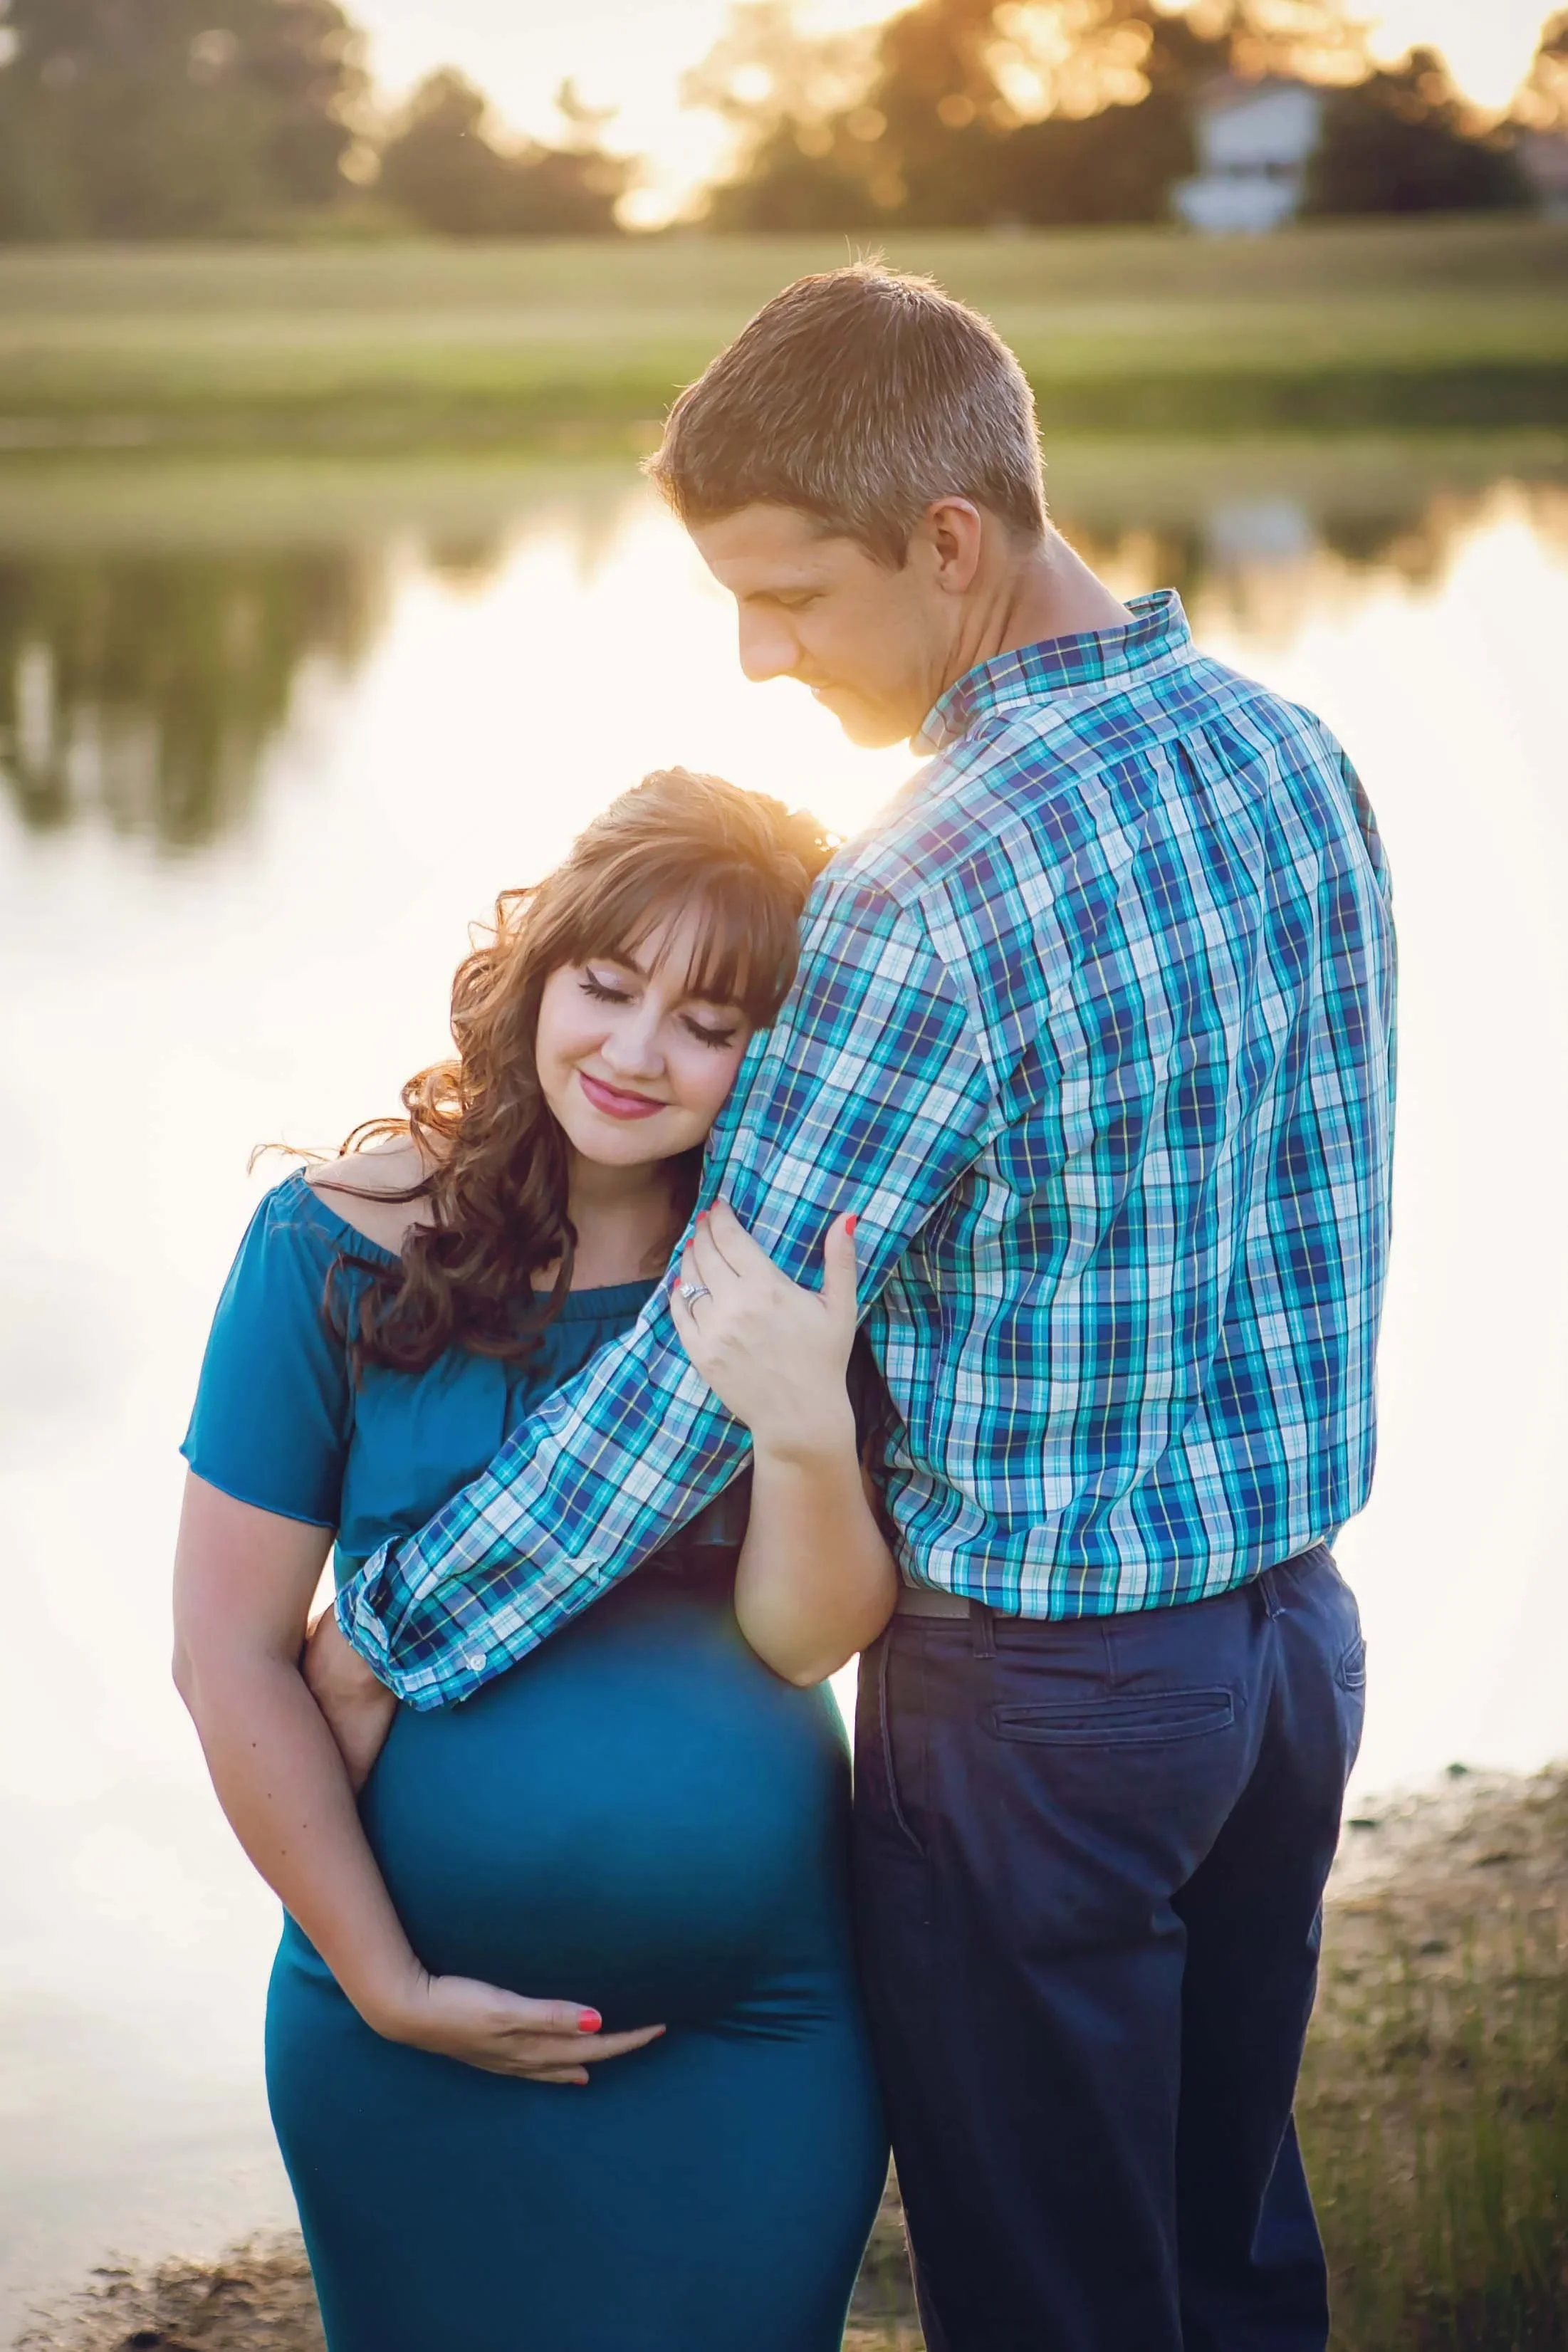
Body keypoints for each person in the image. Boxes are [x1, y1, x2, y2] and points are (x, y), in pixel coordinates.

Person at [322, 264, 1396, 2352]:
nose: (758, 655)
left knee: (1058, 2295)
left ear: (951, 543)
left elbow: (702, 1366)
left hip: (1047, 1709)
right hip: (1289, 1656)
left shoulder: (926, 888)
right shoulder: (1292, 757)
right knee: (1228, 2253)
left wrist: (392, 1626)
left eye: (792, 596)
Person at [172, 769, 894, 2352]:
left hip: (753, 2033)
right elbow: (225, 1654)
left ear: (777, 1051)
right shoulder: (331, 1245)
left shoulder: (787, 1265)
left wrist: (802, 1424)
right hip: (397, 2033)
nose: (635, 1054)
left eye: (708, 1023)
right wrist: (386, 1982)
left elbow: (805, 1639)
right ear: (539, 971)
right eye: (608, 986)